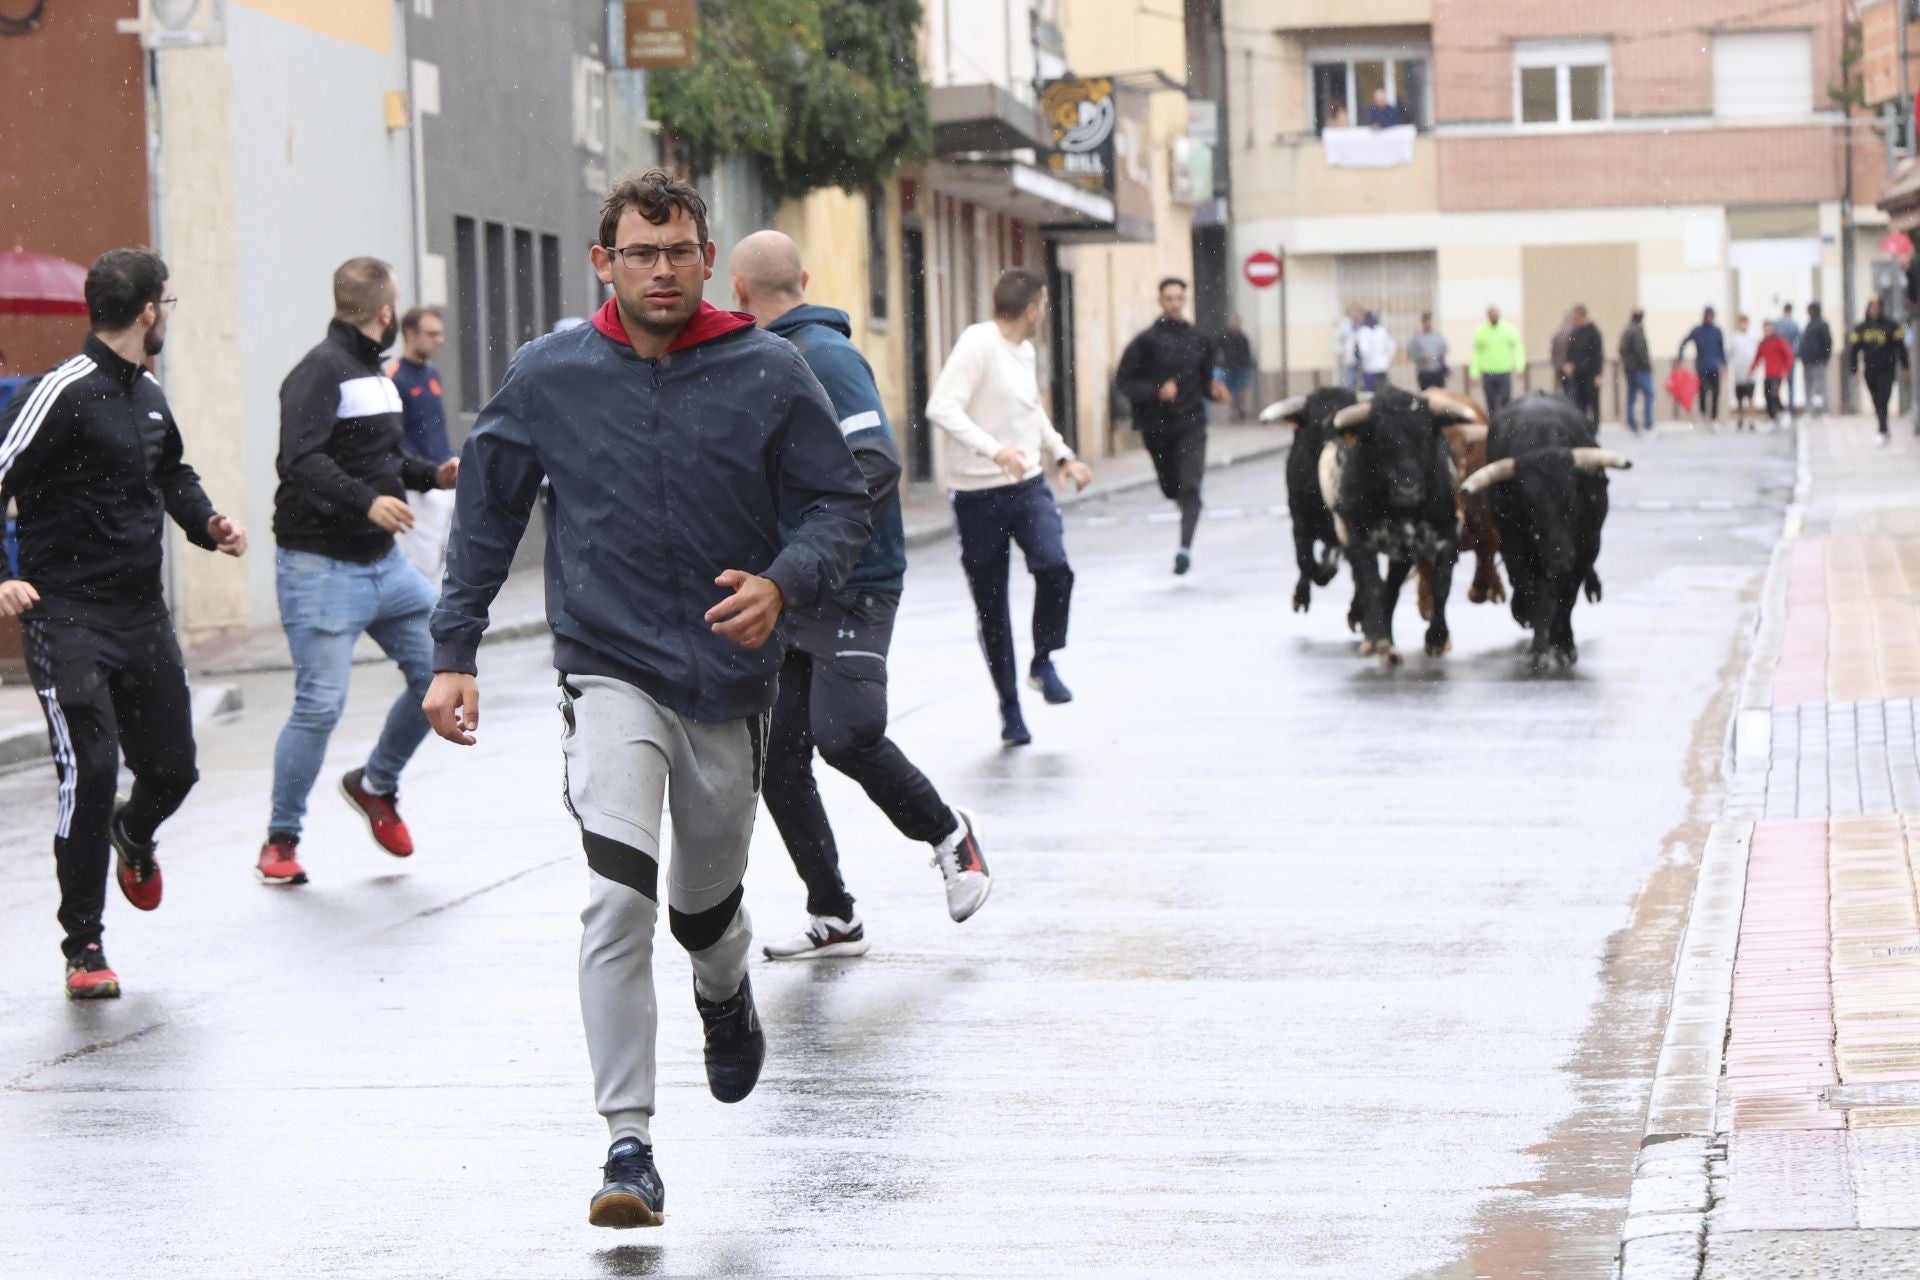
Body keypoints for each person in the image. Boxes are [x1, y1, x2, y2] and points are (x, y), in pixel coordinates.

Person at [424, 171, 870, 1228]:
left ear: (708, 260)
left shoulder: (767, 369)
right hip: (608, 666)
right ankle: (628, 1145)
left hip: (728, 681)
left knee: (703, 909)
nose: (659, 270)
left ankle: (724, 986)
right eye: (639, 252)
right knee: (617, 898)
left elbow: (839, 502)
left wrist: (783, 582)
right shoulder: (551, 374)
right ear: (604, 262)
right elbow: (486, 512)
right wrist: (454, 649)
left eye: (677, 252)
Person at [726, 229, 990, 960]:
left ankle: (950, 834)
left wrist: (815, 549)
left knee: (846, 733)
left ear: (738, 291)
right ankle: (834, 915)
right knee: (778, 757)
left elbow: (875, 462)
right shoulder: (764, 358)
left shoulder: (827, 357)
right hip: (791, 584)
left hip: (853, 581)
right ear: (804, 279)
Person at [0, 248, 248, 999]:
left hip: (140, 614)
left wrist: (208, 522)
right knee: (92, 769)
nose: (166, 317)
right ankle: (84, 945)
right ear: (147, 311)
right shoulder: (59, 391)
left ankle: (133, 833)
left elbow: (171, 472)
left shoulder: (149, 394)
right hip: (65, 613)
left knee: (174, 770)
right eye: (166, 305)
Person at [258, 258, 459, 887]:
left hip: (385, 566)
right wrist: (365, 502)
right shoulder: (318, 371)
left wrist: (432, 475)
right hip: (319, 567)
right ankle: (280, 841)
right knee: (320, 705)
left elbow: (384, 458)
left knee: (439, 675)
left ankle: (375, 784)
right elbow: (300, 460)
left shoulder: (376, 375)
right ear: (385, 313)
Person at [926, 268, 1093, 746]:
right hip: (976, 496)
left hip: (1028, 486)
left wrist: (1063, 454)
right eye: (1045, 307)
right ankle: (1010, 709)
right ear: (1033, 310)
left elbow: (1031, 410)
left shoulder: (1025, 351)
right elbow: (941, 407)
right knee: (992, 607)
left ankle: (1043, 660)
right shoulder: (978, 343)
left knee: (1054, 566)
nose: (1045, 314)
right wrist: (994, 449)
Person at [1116, 277, 1227, 575]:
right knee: (1170, 488)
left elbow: (1205, 382)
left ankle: (1184, 549)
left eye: (1179, 298)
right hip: (1156, 427)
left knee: (1190, 487)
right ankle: (1185, 504)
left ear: (1185, 300)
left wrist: (1215, 392)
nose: (1175, 304)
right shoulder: (1144, 342)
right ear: (1160, 301)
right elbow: (1124, 381)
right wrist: (1156, 391)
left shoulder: (1200, 339)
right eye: (1170, 298)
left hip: (1192, 424)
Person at [386, 305, 454, 581]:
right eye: (431, 334)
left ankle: (436, 608)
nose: (439, 340)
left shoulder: (432, 375)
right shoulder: (394, 377)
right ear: (410, 334)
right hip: (418, 486)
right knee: (423, 563)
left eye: (440, 334)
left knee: (444, 560)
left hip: (443, 478)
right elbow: (391, 436)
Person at [1850, 298, 1907, 445]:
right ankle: (1884, 427)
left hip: (1887, 369)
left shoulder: (1892, 325)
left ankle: (1882, 429)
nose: (1874, 311)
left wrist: (1905, 366)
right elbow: (1854, 350)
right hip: (1870, 370)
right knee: (1876, 400)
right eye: (1872, 308)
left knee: (1884, 397)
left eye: (1877, 308)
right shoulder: (1861, 327)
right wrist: (1853, 369)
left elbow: (1901, 347)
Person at [1470, 305, 1523, 414]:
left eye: (1496, 315)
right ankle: (1493, 422)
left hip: (1504, 371)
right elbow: (1476, 353)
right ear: (1488, 316)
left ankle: (1506, 422)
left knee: (1505, 400)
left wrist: (1520, 366)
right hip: (1488, 373)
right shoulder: (1482, 331)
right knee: (1491, 403)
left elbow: (1517, 347)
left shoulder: (1508, 329)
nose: (1494, 317)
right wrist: (1474, 373)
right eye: (1492, 315)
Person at [1677, 307, 1726, 425]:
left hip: (1714, 367)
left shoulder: (1717, 331)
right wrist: (1680, 356)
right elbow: (1684, 341)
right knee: (1703, 391)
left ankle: (1714, 418)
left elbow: (1721, 349)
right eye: (1707, 315)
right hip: (1702, 367)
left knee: (1716, 392)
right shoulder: (1697, 330)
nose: (1709, 318)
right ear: (1704, 316)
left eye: (1711, 316)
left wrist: (1724, 364)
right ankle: (1703, 415)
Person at [1563, 304, 1604, 427]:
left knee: (1593, 403)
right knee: (1580, 403)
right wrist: (1568, 363)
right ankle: (1581, 427)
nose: (1572, 320)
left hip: (1591, 374)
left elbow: (1598, 354)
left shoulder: (1594, 332)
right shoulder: (1575, 332)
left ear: (1580, 316)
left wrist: (1599, 374)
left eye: (1574, 317)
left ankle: (1594, 428)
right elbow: (1570, 352)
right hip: (1578, 374)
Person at [1750, 320, 1794, 430]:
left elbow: (1789, 355)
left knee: (1774, 394)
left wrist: (1785, 369)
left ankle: (1784, 413)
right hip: (1768, 374)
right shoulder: (1763, 343)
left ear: (1773, 329)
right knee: (1767, 395)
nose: (1767, 331)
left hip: (1777, 374)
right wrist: (1751, 370)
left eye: (1769, 329)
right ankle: (1772, 418)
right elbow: (1757, 357)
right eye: (1766, 329)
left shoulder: (1779, 341)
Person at [1620, 308, 1654, 435]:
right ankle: (1648, 423)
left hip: (1630, 369)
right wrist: (1646, 364)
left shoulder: (1627, 330)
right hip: (1640, 369)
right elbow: (1640, 350)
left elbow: (1622, 350)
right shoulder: (1637, 330)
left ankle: (1631, 422)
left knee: (1631, 396)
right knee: (1649, 395)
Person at [1215, 314, 1255, 419]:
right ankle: (1232, 410)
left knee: (1242, 390)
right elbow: (1217, 348)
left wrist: (1245, 362)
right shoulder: (1225, 337)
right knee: (1230, 389)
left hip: (1241, 367)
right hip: (1229, 366)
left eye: (1237, 322)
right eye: (1234, 322)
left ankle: (1241, 409)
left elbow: (1247, 352)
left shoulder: (1243, 338)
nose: (1235, 324)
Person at [1800, 301, 1834, 416]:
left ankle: (1825, 410)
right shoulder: (1809, 324)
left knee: (1821, 385)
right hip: (1807, 360)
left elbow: (1828, 341)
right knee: (1809, 386)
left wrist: (1826, 357)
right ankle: (1810, 410)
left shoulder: (1822, 324)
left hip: (1818, 360)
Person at [1727, 315, 1759, 428]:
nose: (1743, 325)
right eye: (1741, 323)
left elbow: (1758, 353)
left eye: (1745, 323)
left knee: (1751, 397)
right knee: (1740, 399)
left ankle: (1752, 420)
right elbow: (1729, 354)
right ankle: (1740, 419)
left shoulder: (1754, 337)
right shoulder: (1734, 337)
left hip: (1751, 373)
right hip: (1739, 373)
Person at [1355, 310, 1395, 391]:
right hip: (1370, 367)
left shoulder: (1381, 331)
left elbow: (1391, 346)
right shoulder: (1363, 331)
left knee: (1380, 390)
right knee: (1371, 391)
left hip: (1379, 366)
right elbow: (1363, 350)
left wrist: (1387, 359)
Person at [1407, 312, 1448, 391]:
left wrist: (1441, 355)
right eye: (1425, 321)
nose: (1427, 324)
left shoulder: (1437, 336)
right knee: (1426, 394)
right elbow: (1410, 353)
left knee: (1440, 394)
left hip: (1437, 370)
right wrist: (1420, 358)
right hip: (1424, 372)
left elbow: (1445, 348)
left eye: (1429, 321)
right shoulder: (1417, 338)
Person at [1775, 303, 1802, 416]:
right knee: (1791, 383)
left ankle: (1778, 406)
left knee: (1777, 383)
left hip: (1779, 358)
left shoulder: (1777, 324)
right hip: (1790, 357)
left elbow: (1774, 340)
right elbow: (1799, 341)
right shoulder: (1794, 325)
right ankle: (1791, 407)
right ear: (1791, 311)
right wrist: (1795, 353)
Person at [1334, 303, 1361, 390]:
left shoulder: (1360, 324)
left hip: (1360, 357)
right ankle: (1350, 393)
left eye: (1357, 311)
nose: (1356, 313)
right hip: (1348, 356)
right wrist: (1341, 352)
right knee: (1349, 379)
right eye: (1353, 311)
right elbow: (1337, 339)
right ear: (1349, 313)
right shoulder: (1344, 324)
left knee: (1359, 381)